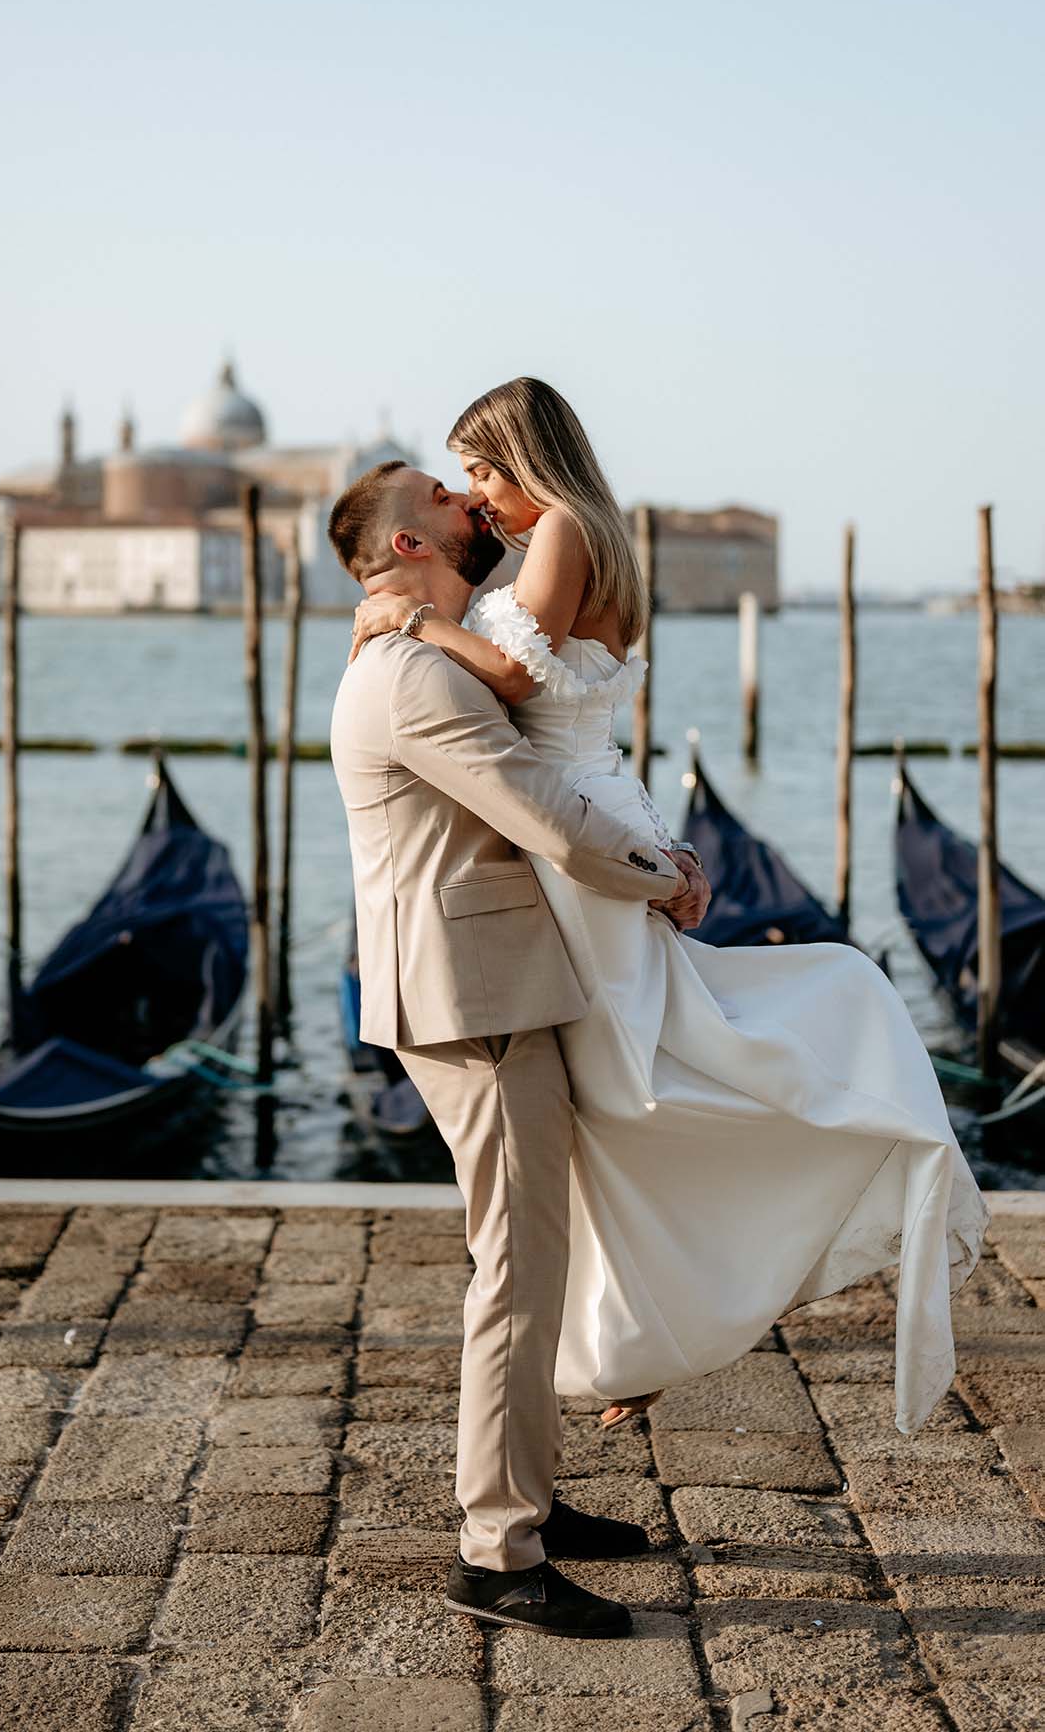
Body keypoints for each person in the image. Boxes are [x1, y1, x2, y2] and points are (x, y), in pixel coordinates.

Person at [348, 375, 987, 1452]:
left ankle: (657, 1323)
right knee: (624, 1082)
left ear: (529, 460)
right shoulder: (589, 532)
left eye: (485, 472)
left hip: (580, 832)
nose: (479, 498)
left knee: (630, 1085)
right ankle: (643, 1331)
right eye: (462, 482)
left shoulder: (561, 532)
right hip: (600, 807)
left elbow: (508, 673)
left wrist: (409, 620)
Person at [328, 459, 708, 1640]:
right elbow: (539, 811)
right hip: (473, 1000)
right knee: (515, 1269)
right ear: (406, 545)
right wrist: (666, 875)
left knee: (531, 1254)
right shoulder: (408, 679)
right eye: (440, 492)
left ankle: (527, 1501)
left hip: (483, 984)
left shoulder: (417, 654)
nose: (467, 501)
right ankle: (496, 1552)